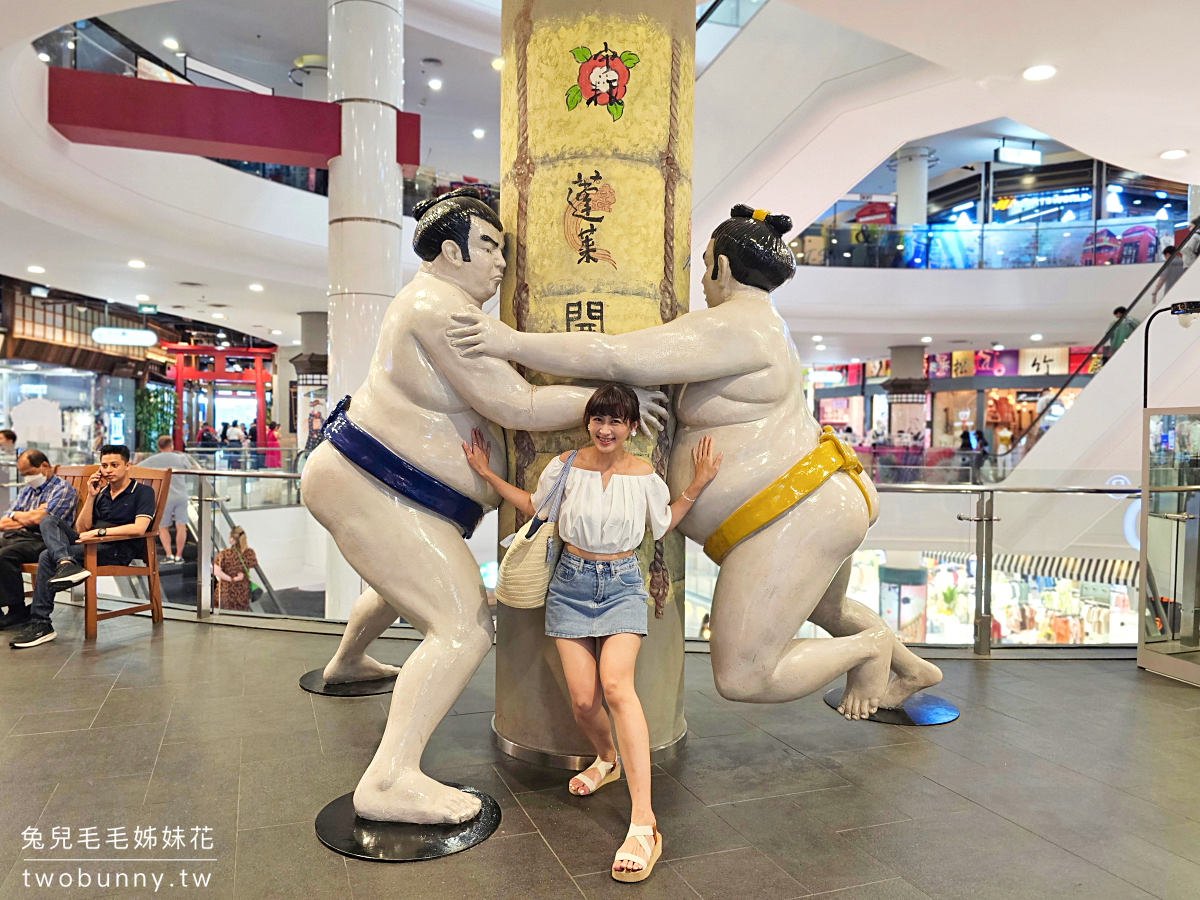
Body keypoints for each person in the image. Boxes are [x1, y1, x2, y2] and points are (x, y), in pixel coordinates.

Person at [450, 202, 946, 720]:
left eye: (704, 264)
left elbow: (615, 355)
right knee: (828, 609)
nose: (702, 281)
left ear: (722, 269)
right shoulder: (754, 326)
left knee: (745, 675)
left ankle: (871, 650)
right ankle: (913, 670)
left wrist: (512, 342)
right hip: (812, 500)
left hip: (797, 510)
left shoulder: (737, 325)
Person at [301, 186, 665, 826]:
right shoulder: (441, 307)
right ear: (450, 249)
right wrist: (612, 400)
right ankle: (388, 780)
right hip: (373, 482)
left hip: (388, 485)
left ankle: (349, 660)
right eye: (490, 247)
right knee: (462, 626)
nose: (501, 263)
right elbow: (517, 406)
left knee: (401, 587)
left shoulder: (430, 303)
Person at [463, 384, 721, 881]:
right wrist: (486, 473)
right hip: (569, 584)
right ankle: (607, 759)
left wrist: (701, 481)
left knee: (617, 687)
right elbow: (536, 508)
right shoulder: (563, 467)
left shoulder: (644, 474)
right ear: (590, 422)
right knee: (583, 701)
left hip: (623, 582)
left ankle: (644, 823)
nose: (606, 429)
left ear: (630, 428)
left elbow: (663, 524)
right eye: (599, 419)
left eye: (617, 421)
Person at [11, 444, 157, 649]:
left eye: (114, 465)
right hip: (91, 544)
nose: (108, 470)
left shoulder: (142, 492)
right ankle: (65, 562)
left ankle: (41, 622)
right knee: (48, 521)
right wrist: (91, 496)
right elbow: (81, 528)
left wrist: (100, 532)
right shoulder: (102, 493)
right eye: (104, 465)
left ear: (127, 465)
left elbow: (139, 528)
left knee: (46, 556)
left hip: (117, 548)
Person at [0, 450, 77, 630]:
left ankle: (16, 610)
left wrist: (20, 517)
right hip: (21, 536)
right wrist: (21, 515)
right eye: (24, 474)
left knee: (4, 555)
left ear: (43, 466)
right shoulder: (29, 490)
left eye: (29, 473)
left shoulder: (62, 489)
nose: (27, 478)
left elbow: (39, 520)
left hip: (46, 539)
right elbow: (3, 522)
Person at [140, 433, 199, 564]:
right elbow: (191, 468)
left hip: (165, 496)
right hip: (182, 495)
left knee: (163, 526)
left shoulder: (154, 459)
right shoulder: (181, 458)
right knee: (181, 525)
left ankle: (169, 555)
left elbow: (137, 468)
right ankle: (179, 555)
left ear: (158, 446)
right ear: (171, 445)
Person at [212, 526, 257, 611]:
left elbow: (215, 570)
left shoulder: (225, 554)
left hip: (226, 592)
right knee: (240, 617)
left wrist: (231, 579)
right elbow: (253, 564)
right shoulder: (249, 553)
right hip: (242, 593)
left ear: (232, 540)